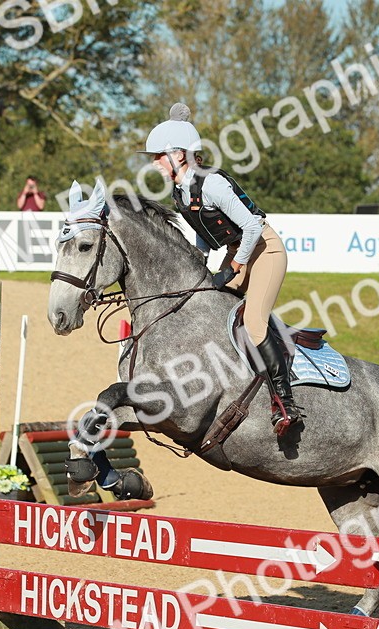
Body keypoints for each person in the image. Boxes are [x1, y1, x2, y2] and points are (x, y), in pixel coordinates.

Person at [139, 102, 302, 435]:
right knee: (210, 306)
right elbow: (203, 231)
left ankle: (284, 402)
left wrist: (236, 265)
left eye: (157, 156)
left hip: (264, 250)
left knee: (253, 321)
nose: (153, 163)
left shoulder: (211, 183)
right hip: (237, 250)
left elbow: (253, 225)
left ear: (179, 155)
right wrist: (199, 264)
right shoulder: (181, 190)